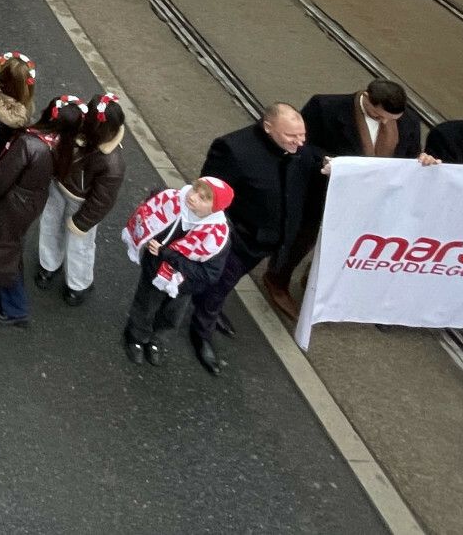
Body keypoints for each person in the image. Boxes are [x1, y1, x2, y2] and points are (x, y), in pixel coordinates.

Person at [189, 103, 324, 374]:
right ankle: (200, 331)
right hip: (237, 240)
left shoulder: (300, 150)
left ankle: (207, 309)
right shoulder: (233, 149)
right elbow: (209, 194)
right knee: (218, 284)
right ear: (268, 128)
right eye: (292, 137)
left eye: (302, 136)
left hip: (266, 241)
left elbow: (313, 159)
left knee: (223, 284)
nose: (300, 143)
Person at [0, 95, 75, 326]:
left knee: (3, 249)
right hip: (30, 202)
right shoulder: (60, 145)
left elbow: (1, 179)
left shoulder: (30, 144)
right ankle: (9, 299)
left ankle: (14, 307)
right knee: (10, 245)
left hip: (12, 204)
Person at [119, 177, 233, 367]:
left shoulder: (217, 237)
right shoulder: (170, 201)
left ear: (215, 209)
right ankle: (136, 337)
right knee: (145, 306)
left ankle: (157, 340)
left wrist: (168, 255)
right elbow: (149, 218)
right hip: (154, 272)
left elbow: (209, 274)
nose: (194, 197)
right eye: (195, 189)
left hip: (184, 285)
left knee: (172, 315)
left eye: (204, 198)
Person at [36, 91, 127, 306]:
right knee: (49, 225)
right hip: (59, 187)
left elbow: (102, 200)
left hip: (81, 202)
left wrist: (82, 222)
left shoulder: (112, 162)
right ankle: (48, 264)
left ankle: (78, 283)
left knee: (80, 243)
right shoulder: (80, 132)